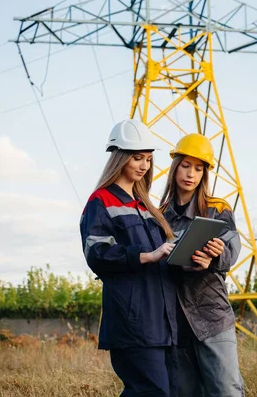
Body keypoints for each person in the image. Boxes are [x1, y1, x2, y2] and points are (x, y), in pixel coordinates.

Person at [80, 119, 179, 397]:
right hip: (133, 320)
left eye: (148, 159)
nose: (144, 165)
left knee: (170, 391)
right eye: (137, 158)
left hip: (162, 320)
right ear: (119, 158)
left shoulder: (146, 205)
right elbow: (97, 254)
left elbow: (163, 254)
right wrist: (147, 255)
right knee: (152, 391)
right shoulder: (101, 201)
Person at [159, 133, 245, 397]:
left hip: (211, 315)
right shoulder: (159, 216)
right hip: (176, 321)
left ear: (205, 174)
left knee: (226, 390)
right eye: (186, 166)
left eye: (198, 168)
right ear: (175, 167)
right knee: (187, 392)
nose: (191, 174)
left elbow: (232, 244)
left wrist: (214, 257)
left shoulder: (217, 209)